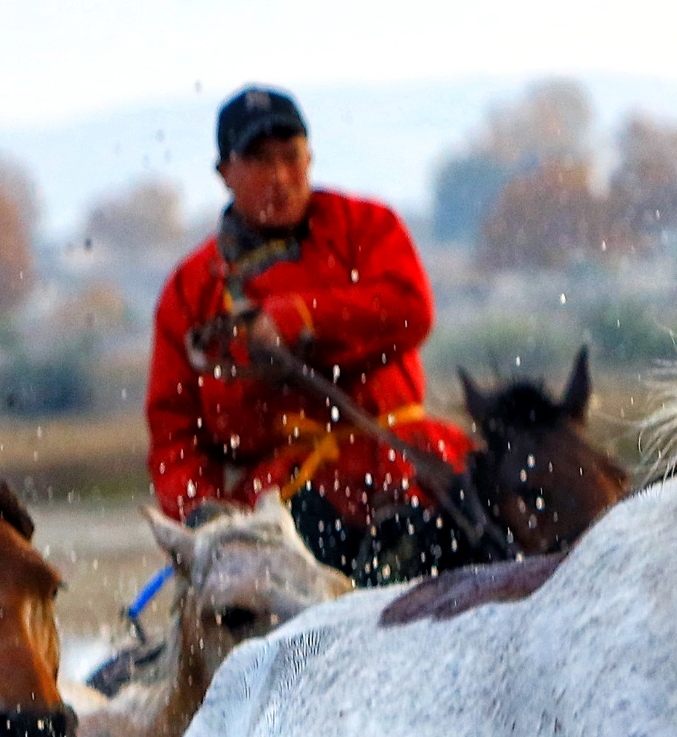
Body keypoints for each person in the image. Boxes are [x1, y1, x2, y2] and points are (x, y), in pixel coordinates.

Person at [145, 86, 478, 585]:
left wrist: (297, 317)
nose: (279, 176)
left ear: (310, 158)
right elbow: (174, 433)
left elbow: (411, 309)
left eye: (290, 157)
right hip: (281, 503)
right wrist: (204, 514)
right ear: (224, 174)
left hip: (405, 471)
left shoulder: (368, 227)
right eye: (258, 160)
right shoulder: (189, 291)